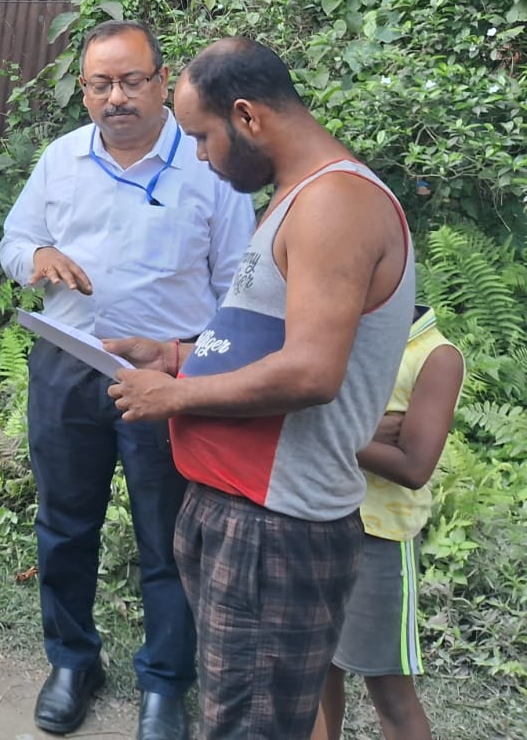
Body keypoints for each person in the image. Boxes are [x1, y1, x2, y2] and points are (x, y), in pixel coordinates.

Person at [105, 37, 416, 740]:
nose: (200, 157)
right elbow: (260, 341)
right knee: (239, 715)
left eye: (202, 137)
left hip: (273, 528)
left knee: (250, 727)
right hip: (237, 513)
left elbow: (311, 371)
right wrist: (176, 357)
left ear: (246, 116)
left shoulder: (335, 202)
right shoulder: (295, 198)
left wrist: (175, 397)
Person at [0, 21, 255, 740]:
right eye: (100, 84)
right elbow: (14, 240)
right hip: (66, 366)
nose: (116, 98)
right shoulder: (61, 159)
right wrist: (37, 257)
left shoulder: (208, 165)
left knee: (168, 538)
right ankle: (72, 661)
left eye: (131, 80)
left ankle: (166, 683)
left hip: (166, 379)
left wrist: (184, 359)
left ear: (161, 81)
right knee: (63, 525)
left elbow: (238, 292)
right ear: (83, 91)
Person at [312, 306, 464, 740]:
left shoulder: (435, 356)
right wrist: (359, 433)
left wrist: (331, 433)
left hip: (379, 540)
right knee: (316, 674)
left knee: (389, 690)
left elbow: (414, 466)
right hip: (316, 519)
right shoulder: (337, 331)